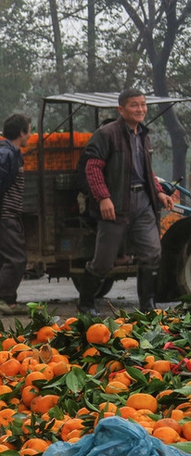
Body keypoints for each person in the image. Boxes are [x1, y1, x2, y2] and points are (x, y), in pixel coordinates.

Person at [77, 88, 175, 315]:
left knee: (152, 252)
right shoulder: (107, 134)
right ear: (121, 109)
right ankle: (86, 303)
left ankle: (147, 305)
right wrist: (103, 197)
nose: (140, 109)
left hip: (143, 202)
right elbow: (92, 168)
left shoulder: (143, 134)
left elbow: (146, 171)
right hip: (117, 203)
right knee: (104, 260)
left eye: (143, 104)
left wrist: (159, 192)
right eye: (134, 105)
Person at [0, 113, 32, 315]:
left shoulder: (12, 152)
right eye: (29, 129)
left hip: (10, 213)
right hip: (4, 214)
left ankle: (8, 301)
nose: (30, 134)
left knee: (5, 257)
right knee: (17, 258)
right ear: (21, 132)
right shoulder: (5, 154)